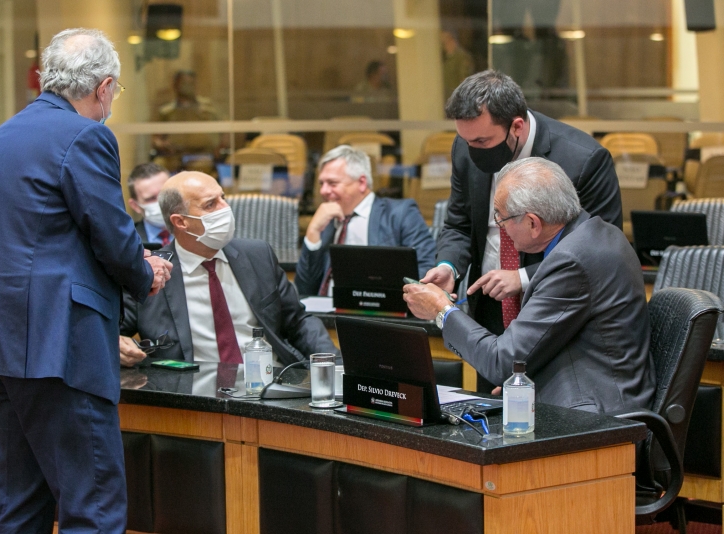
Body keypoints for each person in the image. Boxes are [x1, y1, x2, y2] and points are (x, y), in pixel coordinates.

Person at [0, 28, 173, 533]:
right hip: (61, 349)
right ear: (103, 88)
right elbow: (113, 237)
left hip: (3, 348)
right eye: (115, 92)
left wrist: (130, 258)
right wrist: (146, 270)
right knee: (92, 510)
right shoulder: (87, 135)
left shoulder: (2, 136)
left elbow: (45, 236)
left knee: (21, 506)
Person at [421, 70, 622, 390]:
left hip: (558, 316)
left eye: (482, 141)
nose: (472, 149)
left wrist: (524, 277)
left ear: (516, 126)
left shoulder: (584, 159)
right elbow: (459, 224)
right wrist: (449, 267)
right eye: (466, 140)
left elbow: (603, 253)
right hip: (488, 306)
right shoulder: (465, 147)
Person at [405, 157, 654, 413]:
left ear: (533, 223)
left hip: (594, 416)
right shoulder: (598, 233)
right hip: (589, 395)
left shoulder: (572, 262)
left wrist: (442, 311)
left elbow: (502, 360)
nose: (501, 228)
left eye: (502, 219)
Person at [119, 171, 337, 367]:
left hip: (270, 381)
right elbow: (114, 334)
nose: (226, 208)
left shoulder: (257, 255)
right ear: (181, 222)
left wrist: (336, 365)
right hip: (195, 394)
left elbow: (298, 321)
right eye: (210, 205)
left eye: (223, 197)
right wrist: (117, 343)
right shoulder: (149, 272)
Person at [295, 145, 436, 297]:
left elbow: (425, 271)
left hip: (379, 314)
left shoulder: (399, 214)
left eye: (332, 183)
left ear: (361, 182)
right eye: (321, 183)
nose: (323, 191)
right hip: (327, 313)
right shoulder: (326, 221)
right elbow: (305, 290)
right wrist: (313, 232)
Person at [152, 70, 225, 173]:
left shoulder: (209, 108)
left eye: (190, 83)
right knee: (157, 168)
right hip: (173, 156)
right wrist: (163, 145)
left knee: (198, 171)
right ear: (175, 85)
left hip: (202, 155)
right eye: (184, 83)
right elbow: (156, 138)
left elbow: (225, 131)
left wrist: (219, 149)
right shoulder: (166, 112)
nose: (187, 87)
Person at [127, 162, 173, 247]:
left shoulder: (197, 234)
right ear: (135, 206)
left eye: (165, 194)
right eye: (151, 198)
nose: (161, 202)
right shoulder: (127, 242)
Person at [440, 30, 474, 102]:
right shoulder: (445, 59)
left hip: (457, 98)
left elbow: (464, 79)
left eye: (445, 42)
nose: (444, 45)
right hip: (447, 97)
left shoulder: (462, 57)